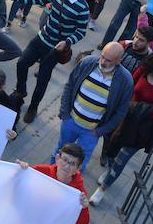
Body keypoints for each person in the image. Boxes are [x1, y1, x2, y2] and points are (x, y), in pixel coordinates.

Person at [90, 51, 153, 205]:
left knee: (121, 159)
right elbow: (128, 88)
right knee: (110, 150)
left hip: (141, 129)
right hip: (124, 120)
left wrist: (133, 107)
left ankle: (102, 190)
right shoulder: (142, 71)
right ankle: (109, 170)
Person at [7, 0, 90, 124]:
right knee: (22, 62)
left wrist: (67, 41)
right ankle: (21, 91)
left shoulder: (83, 8)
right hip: (42, 38)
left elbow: (81, 31)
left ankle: (33, 107)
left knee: (42, 79)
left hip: (56, 49)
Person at [55, 43, 133, 172]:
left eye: (108, 60)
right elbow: (69, 86)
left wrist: (100, 131)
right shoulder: (87, 63)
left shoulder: (125, 80)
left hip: (91, 132)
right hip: (71, 122)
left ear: (119, 61)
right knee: (59, 154)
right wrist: (65, 114)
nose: (102, 61)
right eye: (102, 56)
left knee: (79, 165)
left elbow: (121, 112)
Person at [15, 143, 91, 224]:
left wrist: (84, 208)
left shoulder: (79, 193)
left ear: (78, 168)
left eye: (72, 164)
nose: (67, 166)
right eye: (65, 160)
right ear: (57, 158)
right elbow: (16, 186)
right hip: (25, 222)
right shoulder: (40, 171)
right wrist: (19, 171)